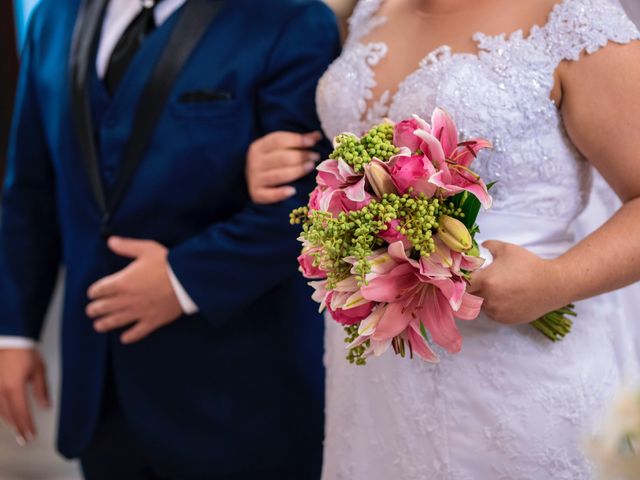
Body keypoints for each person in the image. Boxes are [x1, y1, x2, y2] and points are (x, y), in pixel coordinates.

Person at [246, 0, 640, 477]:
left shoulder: (572, 18)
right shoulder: (371, 8)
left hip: (516, 364)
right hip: (380, 374)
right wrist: (278, 164)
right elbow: (361, 158)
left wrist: (556, 282)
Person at [0, 0, 340, 478]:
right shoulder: (53, 16)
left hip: (238, 390)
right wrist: (13, 333)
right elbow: (30, 188)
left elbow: (312, 201)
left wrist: (183, 279)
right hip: (99, 384)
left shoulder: (290, 18)